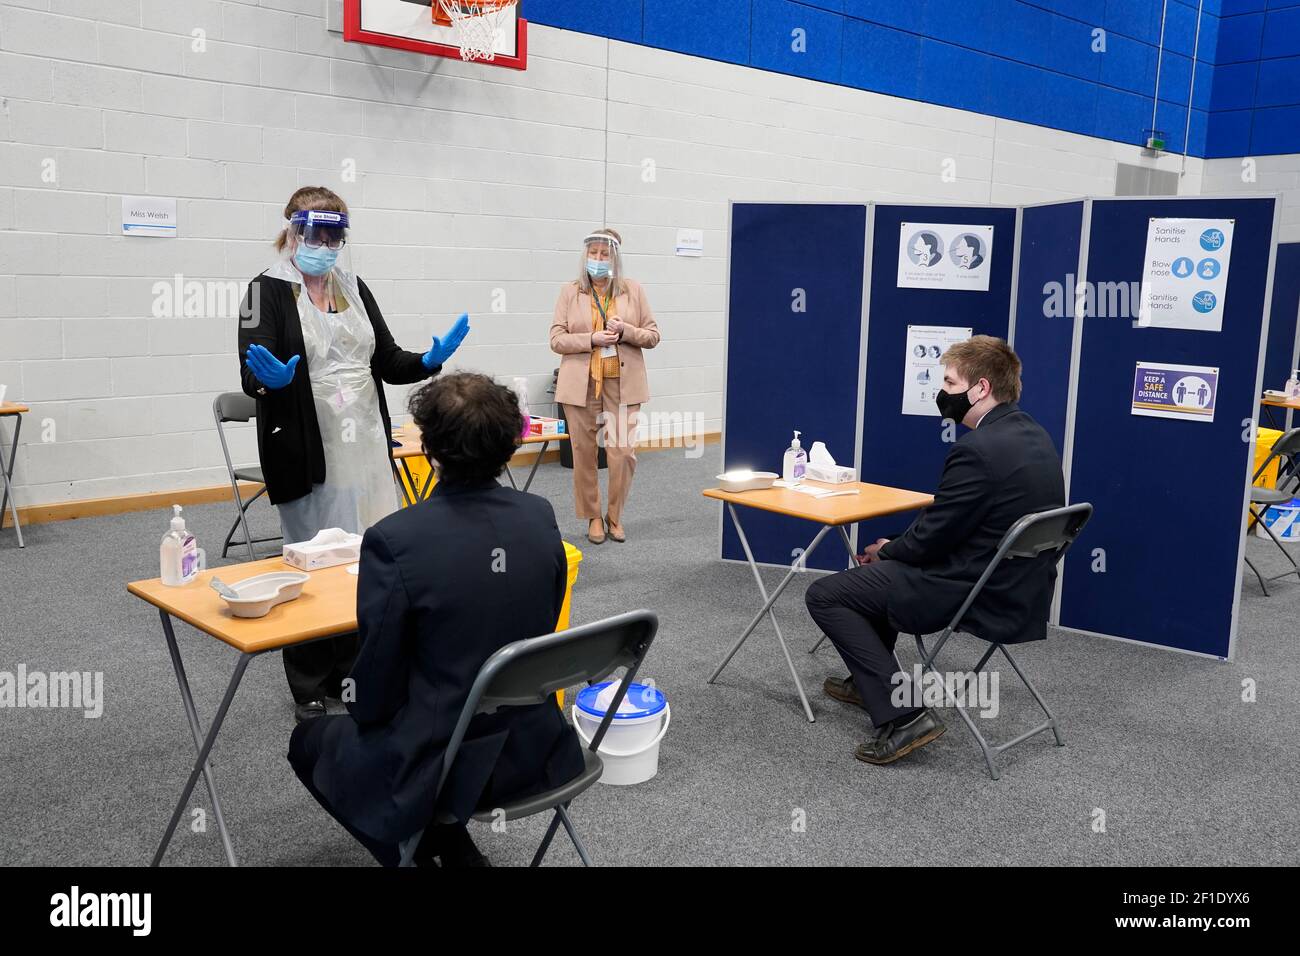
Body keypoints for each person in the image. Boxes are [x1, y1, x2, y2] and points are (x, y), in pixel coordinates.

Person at [287, 372, 585, 867]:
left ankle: (423, 850)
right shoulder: (539, 515)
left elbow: (375, 686)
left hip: (446, 761)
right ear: (511, 443)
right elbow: (543, 621)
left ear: (429, 448)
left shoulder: (395, 539)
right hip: (537, 747)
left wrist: (364, 715)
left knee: (310, 741)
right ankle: (450, 845)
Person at [239, 186, 470, 723]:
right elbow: (252, 372)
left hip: (364, 441)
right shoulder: (265, 291)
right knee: (311, 558)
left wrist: (429, 360)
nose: (327, 244)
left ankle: (358, 670)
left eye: (336, 234)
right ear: (294, 231)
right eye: (318, 233)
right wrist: (268, 382)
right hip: (305, 441)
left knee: (366, 558)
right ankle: (309, 684)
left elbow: (386, 360)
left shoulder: (353, 286)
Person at [805, 336, 1065, 765]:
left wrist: (889, 551)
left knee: (828, 594)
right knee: (867, 581)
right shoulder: (1034, 435)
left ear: (980, 388)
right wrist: (895, 551)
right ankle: (868, 681)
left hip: (968, 589)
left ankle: (904, 717)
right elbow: (953, 525)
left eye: (949, 382)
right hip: (1019, 586)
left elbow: (932, 539)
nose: (942, 393)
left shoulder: (977, 450)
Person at [550, 228, 660, 544]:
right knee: (584, 454)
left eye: (605, 254)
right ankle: (593, 517)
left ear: (615, 259)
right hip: (580, 384)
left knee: (622, 453)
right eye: (593, 253)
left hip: (622, 384)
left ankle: (615, 516)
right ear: (585, 256)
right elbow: (556, 339)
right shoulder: (570, 292)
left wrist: (626, 330)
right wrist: (591, 339)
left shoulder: (633, 291)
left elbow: (652, 336)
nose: (598, 259)